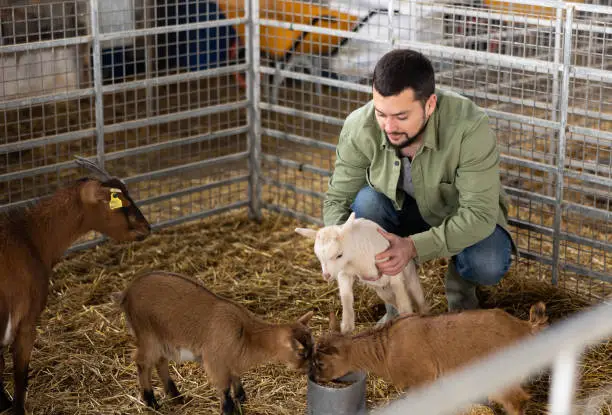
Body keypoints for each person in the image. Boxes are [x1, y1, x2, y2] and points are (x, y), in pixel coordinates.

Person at [322, 48, 516, 319]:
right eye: (381, 114)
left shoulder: (470, 127)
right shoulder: (359, 127)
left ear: (430, 104)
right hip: (401, 213)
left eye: (401, 117)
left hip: (458, 215)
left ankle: (461, 294)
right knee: (367, 203)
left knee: (489, 261)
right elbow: (337, 200)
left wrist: (413, 247)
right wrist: (339, 244)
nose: (389, 127)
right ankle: (397, 305)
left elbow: (479, 214)